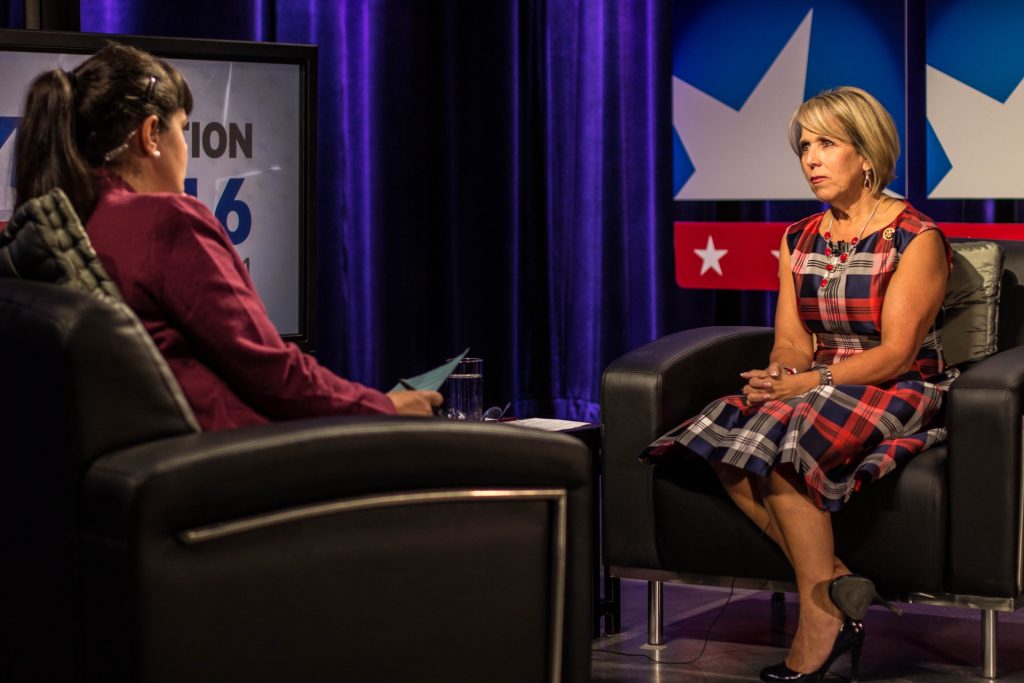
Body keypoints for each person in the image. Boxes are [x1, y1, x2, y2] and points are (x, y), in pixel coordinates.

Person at [645, 86, 954, 682]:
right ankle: (834, 585)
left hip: (896, 385)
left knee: (784, 439)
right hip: (819, 380)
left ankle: (819, 622)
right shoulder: (798, 238)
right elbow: (790, 339)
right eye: (804, 146)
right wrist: (779, 375)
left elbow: (895, 353)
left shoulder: (916, 237)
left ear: (867, 156)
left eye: (826, 144)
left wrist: (810, 382)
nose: (810, 159)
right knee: (723, 430)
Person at [14, 43, 442, 429]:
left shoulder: (65, 227)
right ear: (150, 135)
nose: (187, 148)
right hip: (235, 466)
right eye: (184, 128)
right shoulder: (165, 220)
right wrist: (383, 406)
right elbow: (273, 374)